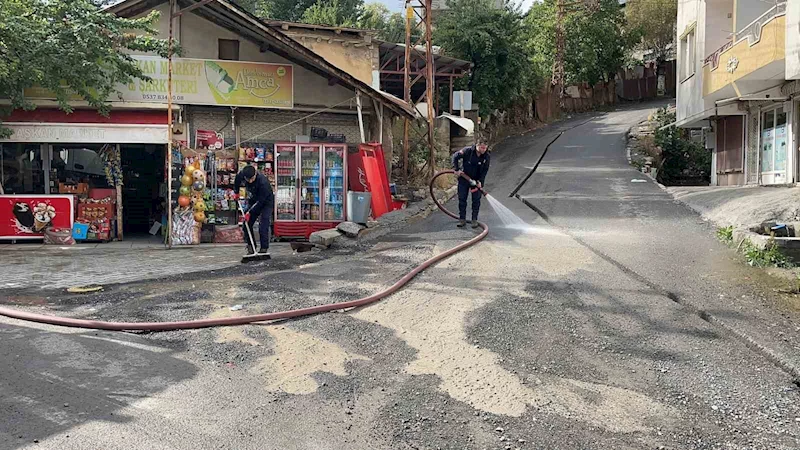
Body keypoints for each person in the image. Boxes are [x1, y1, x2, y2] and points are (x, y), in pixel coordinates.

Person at [234, 165, 274, 255]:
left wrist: (249, 212)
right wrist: (236, 192)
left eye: (252, 179)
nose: (250, 181)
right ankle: (251, 246)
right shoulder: (242, 174)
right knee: (246, 224)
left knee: (263, 224)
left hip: (266, 202)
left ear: (255, 174)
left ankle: (264, 248)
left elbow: (260, 201)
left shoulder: (263, 183)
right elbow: (237, 181)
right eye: (248, 179)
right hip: (253, 200)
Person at [452, 140, 490, 229]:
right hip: (464, 178)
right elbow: (455, 156)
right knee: (462, 199)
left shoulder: (486, 156)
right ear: (477, 146)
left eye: (485, 148)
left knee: (476, 200)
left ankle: (474, 220)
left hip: (476, 182)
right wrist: (456, 169)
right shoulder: (467, 151)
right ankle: (462, 219)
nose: (484, 150)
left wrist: (480, 181)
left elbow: (485, 170)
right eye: (482, 147)